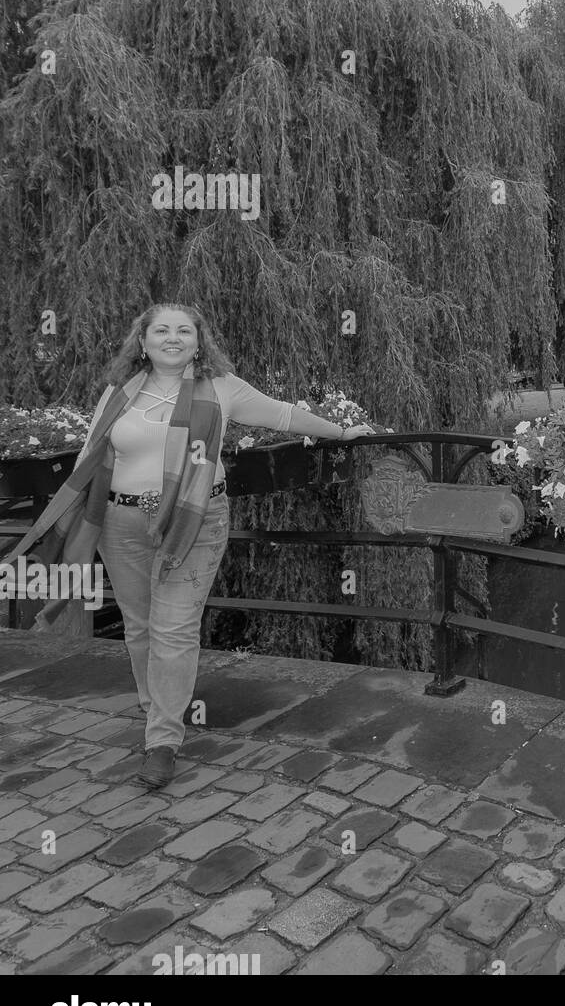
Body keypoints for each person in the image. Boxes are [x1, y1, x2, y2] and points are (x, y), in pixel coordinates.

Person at [1, 303, 376, 791]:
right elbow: (93, 452)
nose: (172, 338)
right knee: (138, 626)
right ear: (143, 340)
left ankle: (162, 741)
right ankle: (155, 704)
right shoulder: (121, 391)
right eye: (162, 330)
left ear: (199, 342)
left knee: (174, 628)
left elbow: (282, 415)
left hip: (196, 521)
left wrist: (342, 432)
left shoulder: (221, 388)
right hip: (121, 520)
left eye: (184, 331)